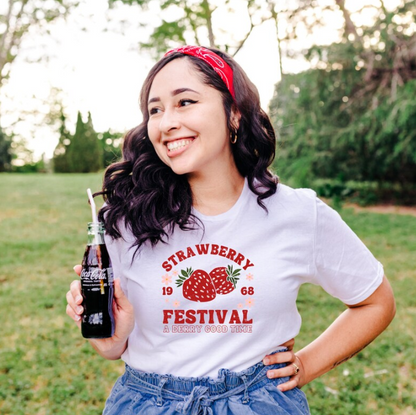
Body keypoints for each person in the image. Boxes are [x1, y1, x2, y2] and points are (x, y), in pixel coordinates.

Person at [66, 45, 396, 415]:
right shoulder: (127, 219)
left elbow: (375, 301)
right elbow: (112, 349)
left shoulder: (296, 213)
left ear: (234, 114)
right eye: (155, 110)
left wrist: (306, 364)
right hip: (146, 403)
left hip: (259, 403)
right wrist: (114, 332)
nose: (166, 121)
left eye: (185, 102)